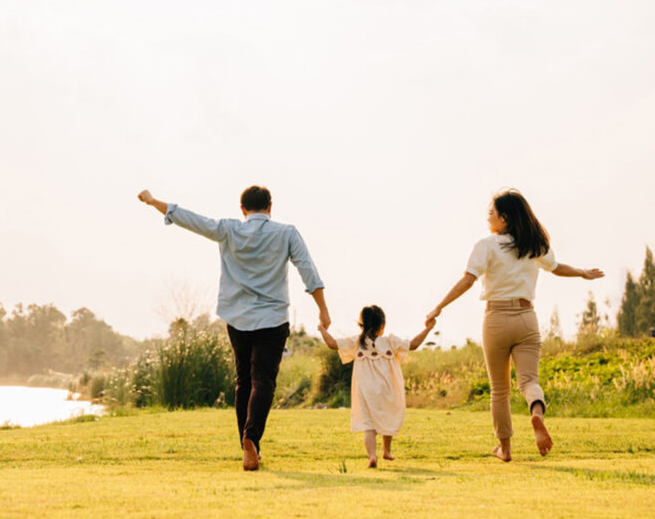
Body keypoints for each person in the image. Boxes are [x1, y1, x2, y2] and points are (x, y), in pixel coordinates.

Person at [138, 186, 330, 471]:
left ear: (242, 209)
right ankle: (251, 439)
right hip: (272, 318)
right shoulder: (287, 233)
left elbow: (193, 220)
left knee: (244, 382)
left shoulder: (229, 230)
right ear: (270, 206)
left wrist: (154, 202)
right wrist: (323, 309)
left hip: (237, 318)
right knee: (263, 380)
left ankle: (247, 444)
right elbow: (308, 270)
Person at [426, 190, 604, 462]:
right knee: (529, 381)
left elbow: (467, 280)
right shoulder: (533, 244)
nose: (488, 218)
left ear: (505, 218)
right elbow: (557, 268)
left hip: (496, 318)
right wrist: (582, 273)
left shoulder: (486, 245)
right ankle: (536, 414)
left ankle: (505, 449)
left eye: (491, 213)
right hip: (526, 318)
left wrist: (439, 306)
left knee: (500, 390)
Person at [318, 305, 435, 468]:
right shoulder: (390, 341)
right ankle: (386, 451)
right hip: (388, 388)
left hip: (365, 390)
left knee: (369, 426)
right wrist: (428, 329)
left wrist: (322, 329)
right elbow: (414, 344)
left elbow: (331, 343)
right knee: (388, 416)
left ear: (362, 325)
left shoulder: (357, 342)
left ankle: (372, 456)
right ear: (383, 325)